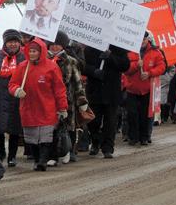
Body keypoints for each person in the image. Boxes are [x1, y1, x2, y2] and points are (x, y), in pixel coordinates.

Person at [8, 39, 67, 171]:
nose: (32, 53)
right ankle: (36, 159)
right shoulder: (23, 66)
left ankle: (42, 161)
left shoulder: (51, 67)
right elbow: (12, 84)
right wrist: (17, 91)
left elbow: (59, 89)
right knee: (32, 138)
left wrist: (62, 107)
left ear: (41, 52)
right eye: (30, 51)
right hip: (28, 108)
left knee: (45, 137)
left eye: (35, 51)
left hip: (47, 107)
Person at [0, 29, 25, 179]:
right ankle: (1, 153)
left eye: (15, 41)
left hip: (17, 97)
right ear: (5, 43)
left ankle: (12, 156)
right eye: (10, 41)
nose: (13, 44)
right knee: (0, 129)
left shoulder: (24, 57)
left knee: (15, 128)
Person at [47, 32, 87, 165]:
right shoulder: (44, 60)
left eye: (57, 45)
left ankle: (70, 151)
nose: (54, 47)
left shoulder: (71, 61)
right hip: (48, 100)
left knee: (69, 126)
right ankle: (52, 155)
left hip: (67, 98)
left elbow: (77, 82)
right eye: (52, 45)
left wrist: (82, 100)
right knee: (51, 128)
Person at [83, 44, 130, 159]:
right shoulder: (90, 47)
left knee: (110, 121)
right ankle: (95, 140)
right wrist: (94, 71)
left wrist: (111, 57)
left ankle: (108, 148)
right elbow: (82, 65)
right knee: (93, 120)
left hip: (112, 91)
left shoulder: (119, 48)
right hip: (95, 91)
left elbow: (125, 65)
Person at [123, 31, 166, 146]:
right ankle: (133, 137)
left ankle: (144, 137)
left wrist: (150, 73)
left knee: (145, 115)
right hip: (132, 89)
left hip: (148, 90)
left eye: (144, 39)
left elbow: (162, 67)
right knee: (132, 114)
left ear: (147, 39)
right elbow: (126, 69)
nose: (142, 41)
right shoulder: (131, 52)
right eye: (140, 39)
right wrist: (136, 65)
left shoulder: (155, 52)